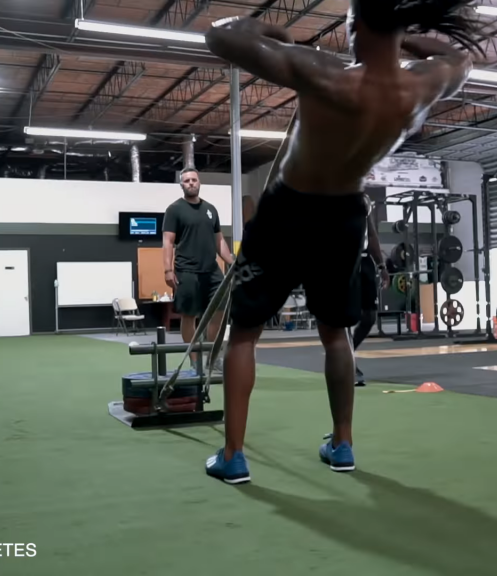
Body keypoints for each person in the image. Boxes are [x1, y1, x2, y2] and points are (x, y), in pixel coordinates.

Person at [203, 0, 482, 484]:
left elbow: (220, 35)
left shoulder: (325, 74)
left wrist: (278, 30)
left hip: (288, 209)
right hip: (345, 217)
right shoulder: (424, 83)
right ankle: (342, 445)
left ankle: (233, 455)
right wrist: (403, 33)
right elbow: (461, 57)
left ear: (353, 25)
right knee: (335, 334)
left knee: (245, 332)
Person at [162, 167, 235, 371]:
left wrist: (231, 261)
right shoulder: (174, 209)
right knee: (189, 315)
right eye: (187, 181)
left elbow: (219, 240)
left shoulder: (211, 209)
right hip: (186, 270)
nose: (191, 183)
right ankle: (195, 361)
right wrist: (168, 270)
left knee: (219, 311)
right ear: (182, 185)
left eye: (194, 179)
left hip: (211, 270)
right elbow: (167, 242)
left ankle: (212, 357)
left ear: (199, 182)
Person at [351, 194, 389, 386]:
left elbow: (372, 234)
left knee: (370, 316)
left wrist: (381, 266)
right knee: (343, 318)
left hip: (364, 262)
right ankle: (350, 364)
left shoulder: (364, 199)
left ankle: (348, 354)